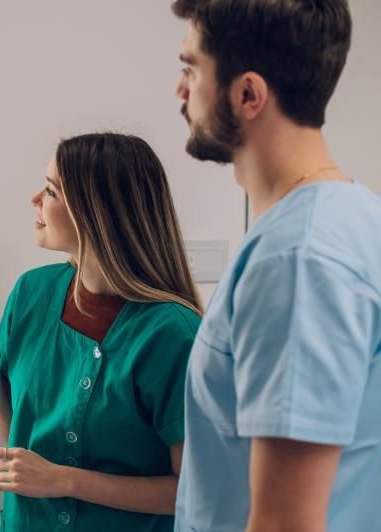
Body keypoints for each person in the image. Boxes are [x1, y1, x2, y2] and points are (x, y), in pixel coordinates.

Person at [172, 1, 381, 531]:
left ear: (248, 94)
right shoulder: (351, 217)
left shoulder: (298, 260)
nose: (180, 90)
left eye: (191, 69)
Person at [0, 133, 202, 531]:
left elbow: (194, 492)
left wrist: (65, 480)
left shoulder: (173, 334)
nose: (34, 200)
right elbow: (18, 431)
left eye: (50, 191)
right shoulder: (32, 292)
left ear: (96, 212)